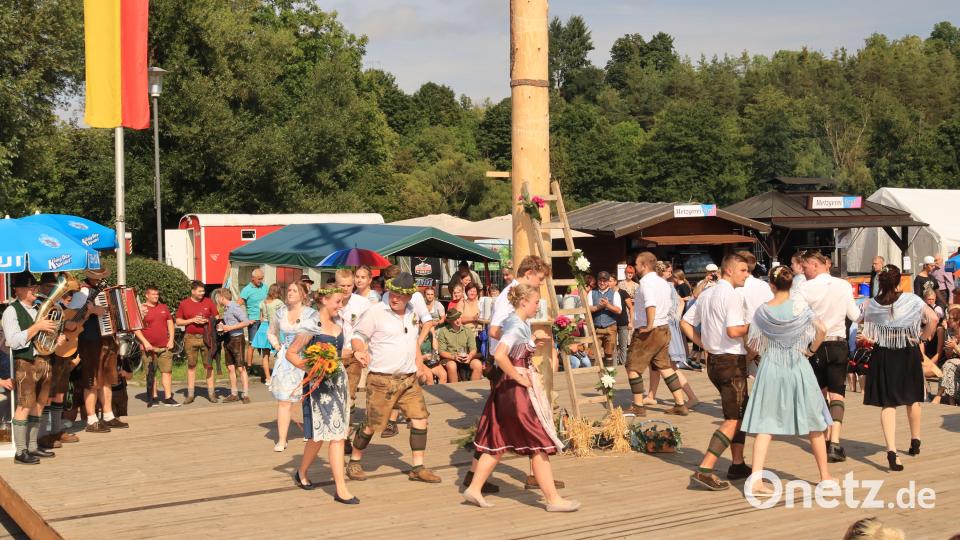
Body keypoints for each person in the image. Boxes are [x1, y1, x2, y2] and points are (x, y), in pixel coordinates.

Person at [464, 283, 579, 512]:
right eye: (536, 302)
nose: (538, 306)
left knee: (497, 441)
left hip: (507, 389)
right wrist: (518, 376)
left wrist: (531, 343)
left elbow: (512, 347)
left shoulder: (514, 321)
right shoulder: (516, 324)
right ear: (524, 302)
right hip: (516, 392)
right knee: (538, 442)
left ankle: (474, 488)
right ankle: (553, 499)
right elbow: (500, 354)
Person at [469, 255, 561, 494]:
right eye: (539, 280)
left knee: (500, 425)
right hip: (508, 367)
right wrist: (521, 345)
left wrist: (527, 343)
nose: (540, 284)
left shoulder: (520, 297)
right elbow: (496, 330)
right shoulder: (511, 297)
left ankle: (477, 479)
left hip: (514, 363)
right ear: (529, 273)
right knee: (505, 426)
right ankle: (477, 477)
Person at [741, 265, 833, 495]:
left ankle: (756, 479)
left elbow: (751, 343)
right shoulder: (800, 307)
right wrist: (810, 351)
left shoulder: (762, 311)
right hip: (796, 364)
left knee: (765, 422)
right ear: (791, 284)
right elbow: (822, 329)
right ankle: (825, 477)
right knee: (814, 420)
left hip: (771, 365)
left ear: (772, 285)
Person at [346, 272, 441, 483]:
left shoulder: (412, 312)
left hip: (408, 379)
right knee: (373, 424)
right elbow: (358, 335)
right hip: (382, 379)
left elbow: (413, 341)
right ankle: (354, 461)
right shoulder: (376, 311)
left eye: (400, 295)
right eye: (392, 292)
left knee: (420, 419)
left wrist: (421, 365)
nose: (395, 297)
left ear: (409, 296)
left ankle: (417, 467)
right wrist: (359, 350)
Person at [680, 254, 751, 490]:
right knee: (733, 419)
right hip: (731, 361)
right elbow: (733, 331)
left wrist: (704, 344)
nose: (746, 274)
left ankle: (738, 463)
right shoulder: (731, 295)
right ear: (729, 271)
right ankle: (705, 469)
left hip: (714, 361)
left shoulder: (707, 293)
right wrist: (755, 325)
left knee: (738, 414)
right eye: (742, 270)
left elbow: (685, 323)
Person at [861, 264, 938, 471]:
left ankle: (892, 451)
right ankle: (915, 440)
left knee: (889, 403)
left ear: (880, 281)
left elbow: (861, 321)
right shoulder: (912, 300)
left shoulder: (872, 304)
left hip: (884, 352)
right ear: (898, 281)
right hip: (907, 349)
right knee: (912, 397)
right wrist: (923, 336)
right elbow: (933, 318)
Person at [285, 286, 357, 503]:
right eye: (337, 301)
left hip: (339, 383)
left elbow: (340, 352)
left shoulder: (339, 324)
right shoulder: (311, 326)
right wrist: (311, 367)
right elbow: (291, 353)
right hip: (320, 387)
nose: (340, 305)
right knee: (336, 436)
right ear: (325, 300)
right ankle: (341, 489)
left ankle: (301, 472)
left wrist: (357, 353)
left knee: (321, 436)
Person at [796, 250, 861, 463]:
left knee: (820, 393)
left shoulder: (803, 288)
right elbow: (855, 316)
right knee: (837, 393)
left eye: (805, 267)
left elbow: (796, 316)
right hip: (838, 343)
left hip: (814, 345)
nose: (803, 271)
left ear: (815, 265)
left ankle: (823, 438)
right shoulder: (842, 285)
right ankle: (834, 441)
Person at [1, 271, 59, 464]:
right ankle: (20, 451)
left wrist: (56, 339)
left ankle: (33, 446)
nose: (35, 290)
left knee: (39, 404)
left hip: (43, 361)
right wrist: (37, 327)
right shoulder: (11, 311)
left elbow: (44, 338)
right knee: (24, 405)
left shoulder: (37, 309)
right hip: (25, 362)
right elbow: (12, 340)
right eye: (30, 287)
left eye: (34, 287)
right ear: (18, 290)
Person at [625, 252, 689, 417]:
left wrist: (649, 325)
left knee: (633, 367)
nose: (636, 267)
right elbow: (668, 304)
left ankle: (638, 406)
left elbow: (650, 304)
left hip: (650, 330)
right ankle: (680, 404)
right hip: (663, 328)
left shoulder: (646, 283)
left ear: (644, 265)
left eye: (637, 265)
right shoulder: (663, 282)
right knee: (664, 366)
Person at [69, 267, 127, 432]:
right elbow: (72, 316)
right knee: (92, 381)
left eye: (101, 277)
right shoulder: (82, 293)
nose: (99, 279)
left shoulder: (102, 290)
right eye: (96, 277)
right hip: (90, 340)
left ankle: (108, 416)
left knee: (107, 379)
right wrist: (92, 311)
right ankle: (91, 419)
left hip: (106, 339)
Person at [267, 282, 315, 452]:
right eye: (289, 290)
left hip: (307, 358)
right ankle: (281, 439)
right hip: (287, 359)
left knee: (308, 397)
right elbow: (271, 331)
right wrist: (277, 345)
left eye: (295, 290)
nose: (290, 293)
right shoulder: (280, 313)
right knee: (284, 400)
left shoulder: (311, 313)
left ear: (303, 295)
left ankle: (310, 432)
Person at [175, 281, 219, 404]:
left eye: (203, 291)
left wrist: (208, 320)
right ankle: (190, 394)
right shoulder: (184, 304)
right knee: (191, 366)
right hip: (190, 338)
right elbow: (178, 321)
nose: (202, 293)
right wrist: (192, 320)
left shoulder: (208, 301)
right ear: (193, 291)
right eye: (200, 291)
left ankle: (211, 393)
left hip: (207, 337)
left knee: (208, 365)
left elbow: (216, 316)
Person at [134, 285, 178, 407]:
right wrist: (145, 342)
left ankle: (168, 397)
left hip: (165, 347)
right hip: (149, 348)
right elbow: (136, 328)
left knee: (167, 371)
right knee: (151, 372)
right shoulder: (141, 309)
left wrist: (171, 340)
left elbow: (170, 323)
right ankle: (153, 397)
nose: (156, 296)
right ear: (147, 295)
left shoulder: (163, 307)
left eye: (157, 294)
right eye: (153, 294)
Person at [216, 289, 254, 403]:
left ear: (222, 297)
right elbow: (230, 323)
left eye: (218, 297)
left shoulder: (234, 307)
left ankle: (246, 395)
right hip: (228, 339)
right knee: (230, 367)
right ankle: (234, 394)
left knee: (241, 367)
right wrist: (222, 327)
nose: (217, 299)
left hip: (237, 339)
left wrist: (230, 328)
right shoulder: (226, 309)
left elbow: (246, 322)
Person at [588, 270, 621, 367]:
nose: (602, 283)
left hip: (610, 327)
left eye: (604, 281)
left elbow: (619, 310)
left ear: (608, 281)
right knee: (592, 353)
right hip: (596, 327)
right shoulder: (591, 293)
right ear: (597, 281)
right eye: (600, 280)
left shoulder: (615, 293)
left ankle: (609, 377)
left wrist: (608, 305)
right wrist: (600, 306)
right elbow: (589, 308)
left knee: (609, 353)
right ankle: (592, 375)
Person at [437, 309, 481, 382]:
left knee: (478, 364)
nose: (458, 321)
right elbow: (441, 351)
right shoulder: (443, 331)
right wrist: (454, 357)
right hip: (450, 358)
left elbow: (473, 349)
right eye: (454, 319)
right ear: (450, 321)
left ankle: (472, 389)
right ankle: (455, 390)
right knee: (452, 365)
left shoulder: (467, 330)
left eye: (459, 318)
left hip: (465, 357)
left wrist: (469, 356)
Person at [251, 284, 283, 384]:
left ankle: (268, 378)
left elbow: (260, 318)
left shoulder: (262, 302)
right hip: (275, 329)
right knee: (280, 354)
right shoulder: (278, 302)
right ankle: (279, 377)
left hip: (263, 328)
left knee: (265, 356)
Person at [238, 269, 267, 373]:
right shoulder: (246, 290)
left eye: (262, 278)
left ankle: (265, 367)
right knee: (252, 344)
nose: (261, 281)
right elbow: (238, 303)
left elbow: (269, 300)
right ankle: (249, 367)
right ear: (253, 278)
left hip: (264, 320)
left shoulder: (265, 287)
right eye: (259, 279)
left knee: (265, 344)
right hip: (253, 320)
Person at [933, 304, 960, 405]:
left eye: (951, 319)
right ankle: (951, 400)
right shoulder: (949, 332)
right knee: (949, 364)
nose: (948, 320)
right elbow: (948, 356)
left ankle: (939, 395)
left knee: (948, 364)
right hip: (954, 361)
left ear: (958, 320)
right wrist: (949, 351)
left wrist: (955, 347)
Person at [610, 275, 632, 367]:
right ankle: (614, 365)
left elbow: (631, 307)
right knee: (613, 346)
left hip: (623, 322)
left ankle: (623, 364)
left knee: (623, 345)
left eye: (611, 281)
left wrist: (631, 322)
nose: (609, 283)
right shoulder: (607, 293)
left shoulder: (623, 293)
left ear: (615, 282)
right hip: (612, 323)